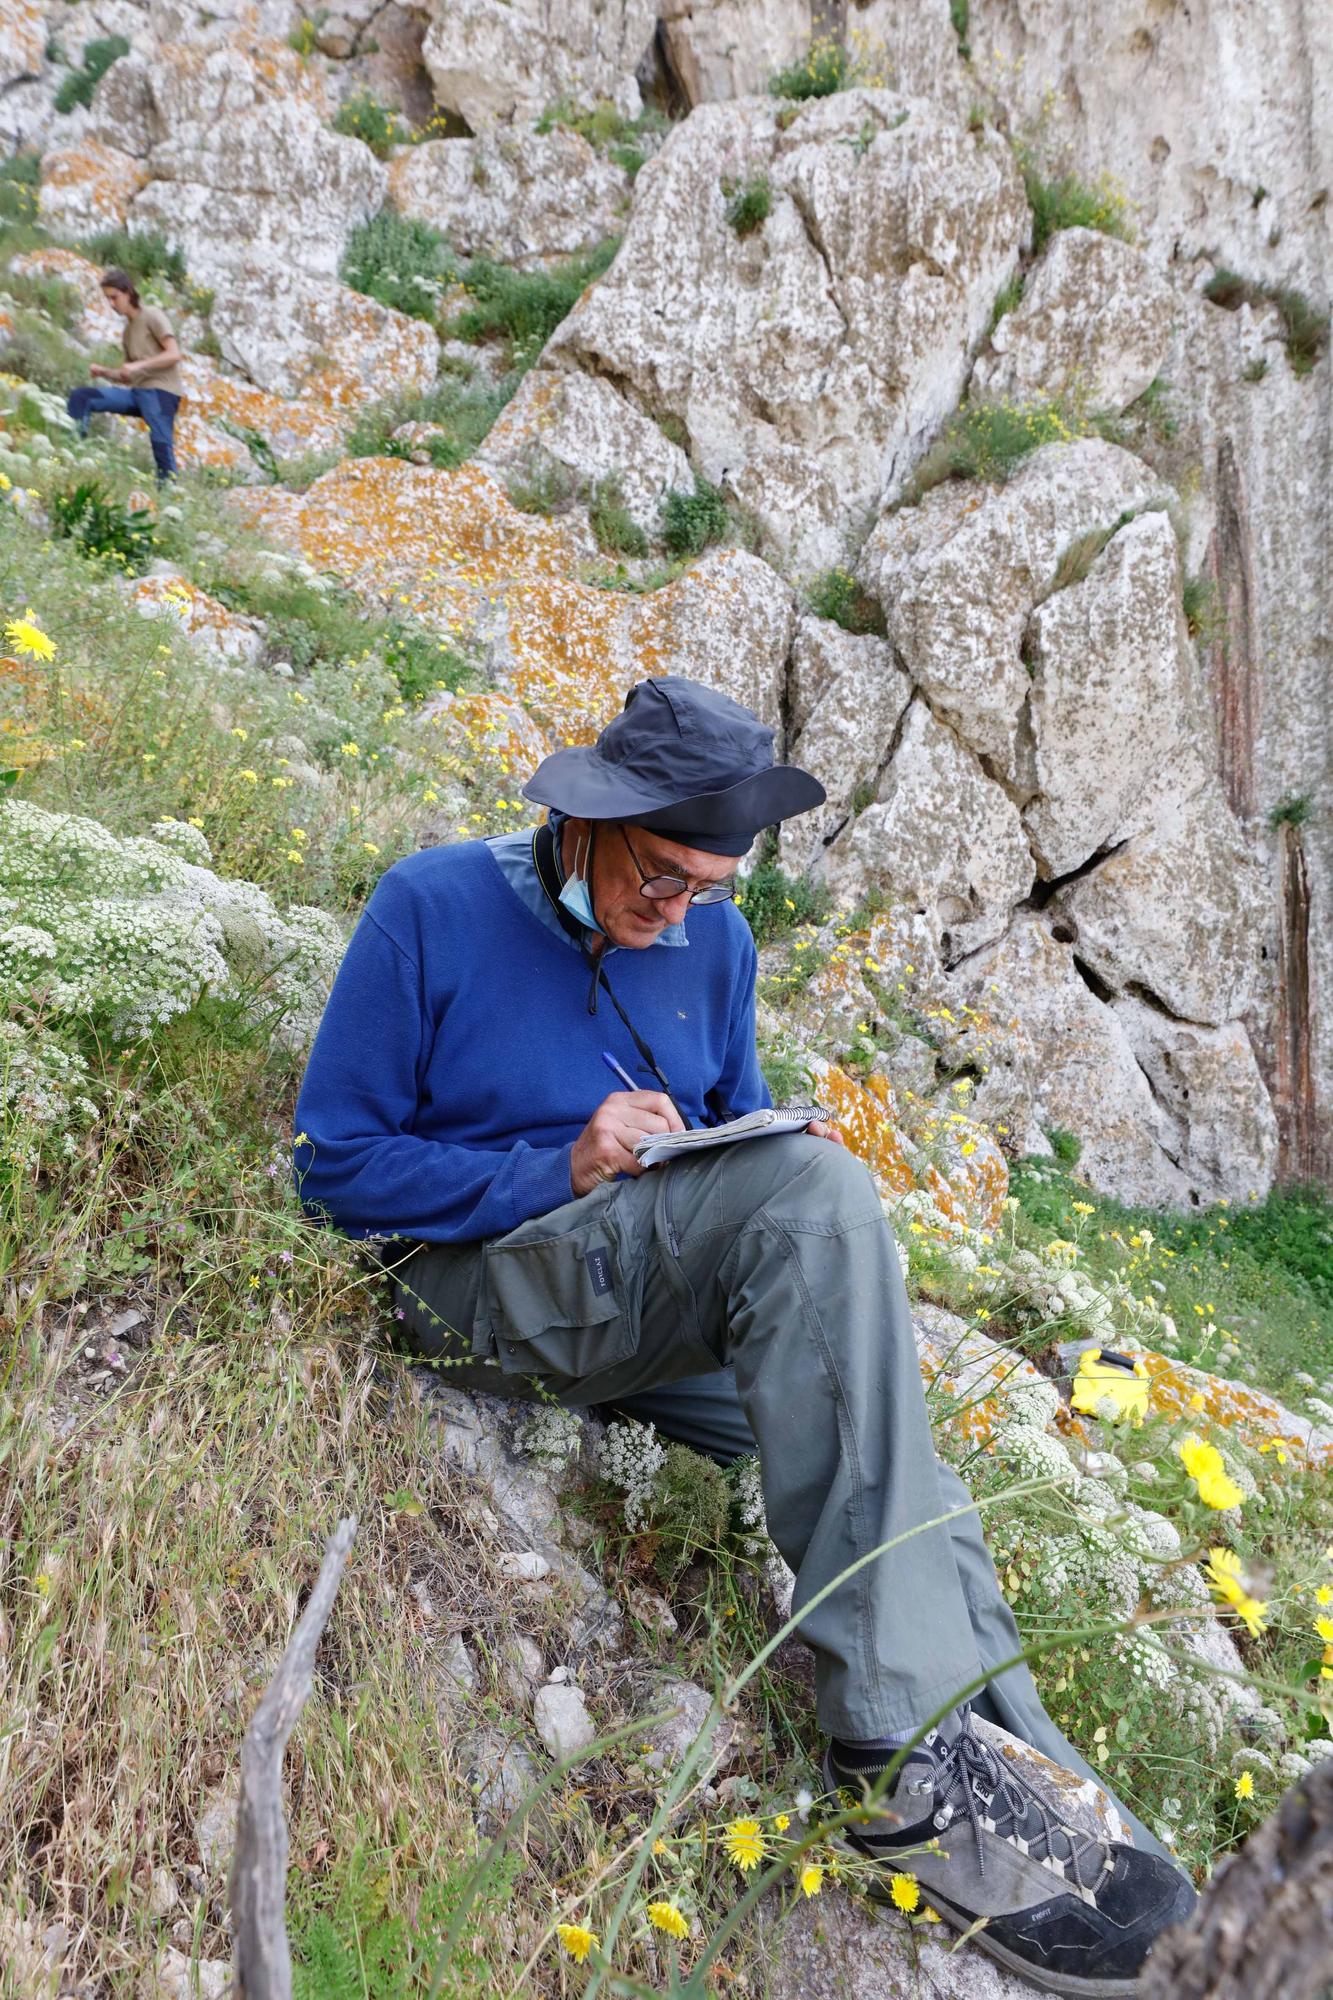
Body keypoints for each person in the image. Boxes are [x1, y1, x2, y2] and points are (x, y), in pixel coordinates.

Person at [293, 675, 1195, 1995]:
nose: (676, 911)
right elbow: (334, 1168)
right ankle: (892, 1764)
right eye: (659, 875)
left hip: (635, 1309)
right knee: (821, 1213)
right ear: (589, 822)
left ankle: (1016, 1768)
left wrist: (775, 1150)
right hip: (477, 1293)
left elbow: (736, 1128)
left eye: (708, 886)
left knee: (893, 1444)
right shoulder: (429, 905)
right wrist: (559, 1167)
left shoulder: (714, 945)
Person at [66, 267, 182, 481]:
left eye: (114, 297)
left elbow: (174, 354)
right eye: (107, 299)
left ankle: (169, 493)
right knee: (81, 397)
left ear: (128, 292)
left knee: (162, 446)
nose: (111, 304)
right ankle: (71, 459)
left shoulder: (152, 316)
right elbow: (128, 375)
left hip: (162, 393)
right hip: (138, 393)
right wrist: (104, 371)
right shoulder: (128, 331)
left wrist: (140, 366)